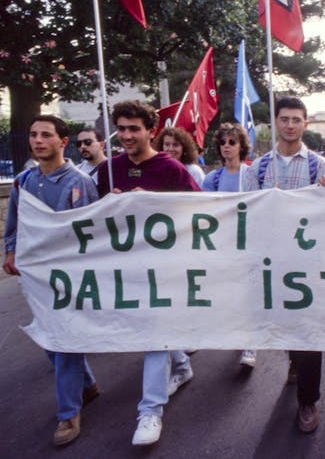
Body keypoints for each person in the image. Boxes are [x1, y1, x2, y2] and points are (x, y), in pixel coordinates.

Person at [97, 100, 200, 446]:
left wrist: (157, 202)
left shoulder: (171, 168)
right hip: (129, 267)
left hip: (166, 265)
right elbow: (95, 223)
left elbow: (202, 210)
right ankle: (182, 364)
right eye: (121, 129)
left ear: (150, 130)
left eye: (133, 129)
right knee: (146, 325)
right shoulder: (107, 170)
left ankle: (151, 409)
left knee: (153, 331)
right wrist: (107, 204)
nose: (126, 136)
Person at [3, 115, 100, 446]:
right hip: (37, 278)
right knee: (49, 339)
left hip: (70, 277)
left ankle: (68, 413)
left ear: (62, 141)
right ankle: (87, 384)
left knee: (63, 340)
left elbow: (93, 232)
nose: (37, 140)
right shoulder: (22, 182)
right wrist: (11, 251)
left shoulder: (79, 183)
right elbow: (14, 222)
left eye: (46, 135)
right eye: (32, 135)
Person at [244, 96, 325, 433]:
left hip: (307, 263)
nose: (290, 125)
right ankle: (294, 359)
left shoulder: (318, 167)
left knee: (309, 329)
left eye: (297, 119)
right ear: (276, 123)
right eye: (285, 119)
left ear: (305, 124)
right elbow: (247, 214)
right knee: (284, 322)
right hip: (272, 263)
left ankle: (308, 400)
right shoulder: (258, 169)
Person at [201, 123, 256, 368]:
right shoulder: (212, 178)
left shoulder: (253, 174)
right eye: (223, 142)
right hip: (223, 244)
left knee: (248, 293)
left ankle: (250, 344)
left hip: (249, 242)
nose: (226, 146)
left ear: (241, 146)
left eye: (232, 142)